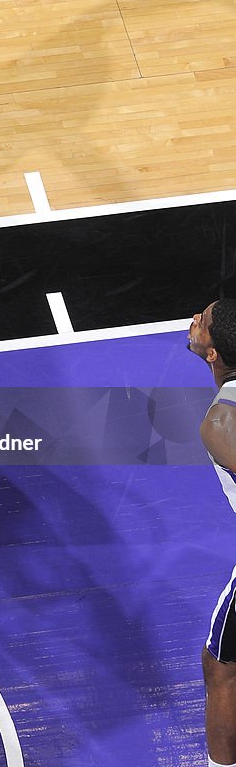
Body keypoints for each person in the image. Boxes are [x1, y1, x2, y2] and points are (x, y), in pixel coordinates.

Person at [188, 298, 236, 767]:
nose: (193, 320)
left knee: (222, 668)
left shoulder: (221, 419)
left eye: (201, 320)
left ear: (213, 353)